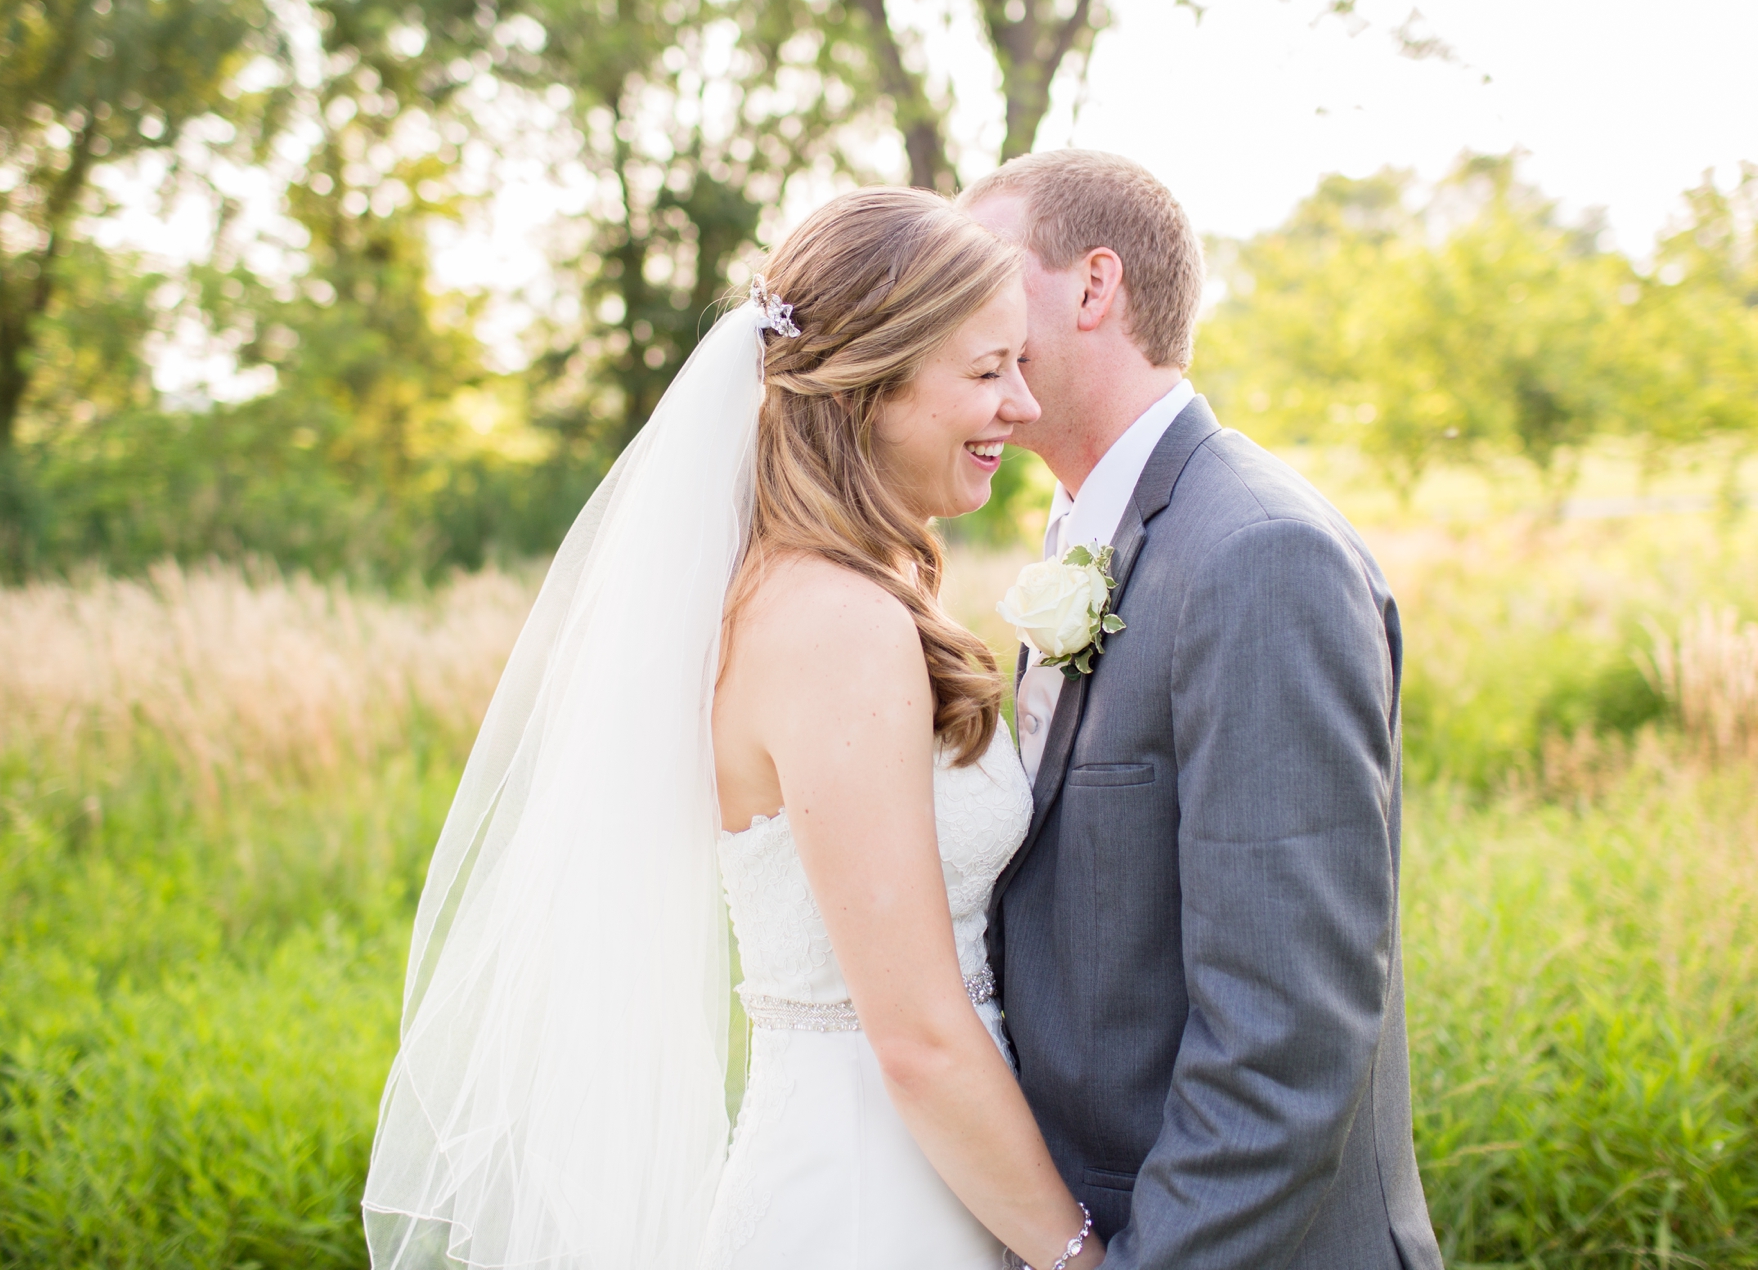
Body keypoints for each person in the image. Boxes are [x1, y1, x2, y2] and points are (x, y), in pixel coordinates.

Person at [361, 187, 1101, 1270]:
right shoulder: (835, 626)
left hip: (904, 1168)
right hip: (877, 1200)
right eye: (986, 370)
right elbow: (915, 1037)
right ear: (867, 386)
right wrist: (1080, 1254)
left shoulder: (797, 591)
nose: (1022, 405)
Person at [963, 149, 1444, 1270]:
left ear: (1092, 288)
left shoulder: (1254, 554)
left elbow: (1285, 1035)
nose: (954, 311)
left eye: (981, 276)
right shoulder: (1088, 532)